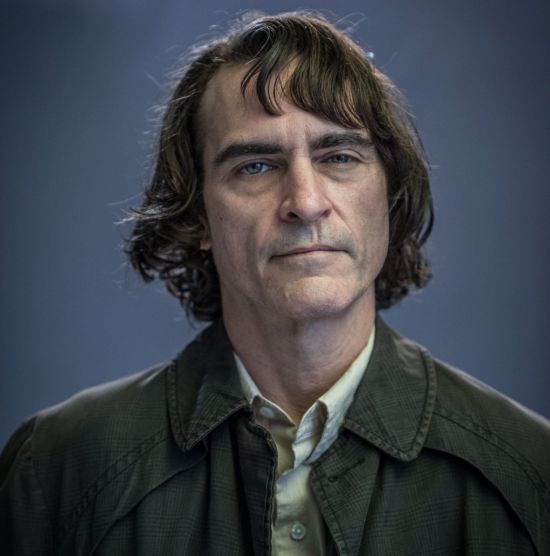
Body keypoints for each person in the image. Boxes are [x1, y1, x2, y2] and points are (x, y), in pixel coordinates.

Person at [1, 11, 549, 556]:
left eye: (339, 157)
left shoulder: (531, 474)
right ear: (196, 216)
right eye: (256, 166)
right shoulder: (55, 472)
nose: (305, 202)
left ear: (389, 196)